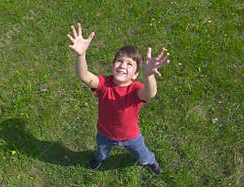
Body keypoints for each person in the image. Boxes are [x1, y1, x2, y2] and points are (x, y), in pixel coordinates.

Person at [67, 23, 170, 175]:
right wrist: (81, 55)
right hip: (104, 133)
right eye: (120, 61)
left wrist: (149, 75)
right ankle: (99, 158)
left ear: (135, 74)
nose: (123, 66)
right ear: (113, 65)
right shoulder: (104, 84)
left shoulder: (134, 90)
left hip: (131, 136)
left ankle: (150, 161)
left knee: (142, 154)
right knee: (101, 152)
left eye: (129, 64)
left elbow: (150, 93)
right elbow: (84, 76)